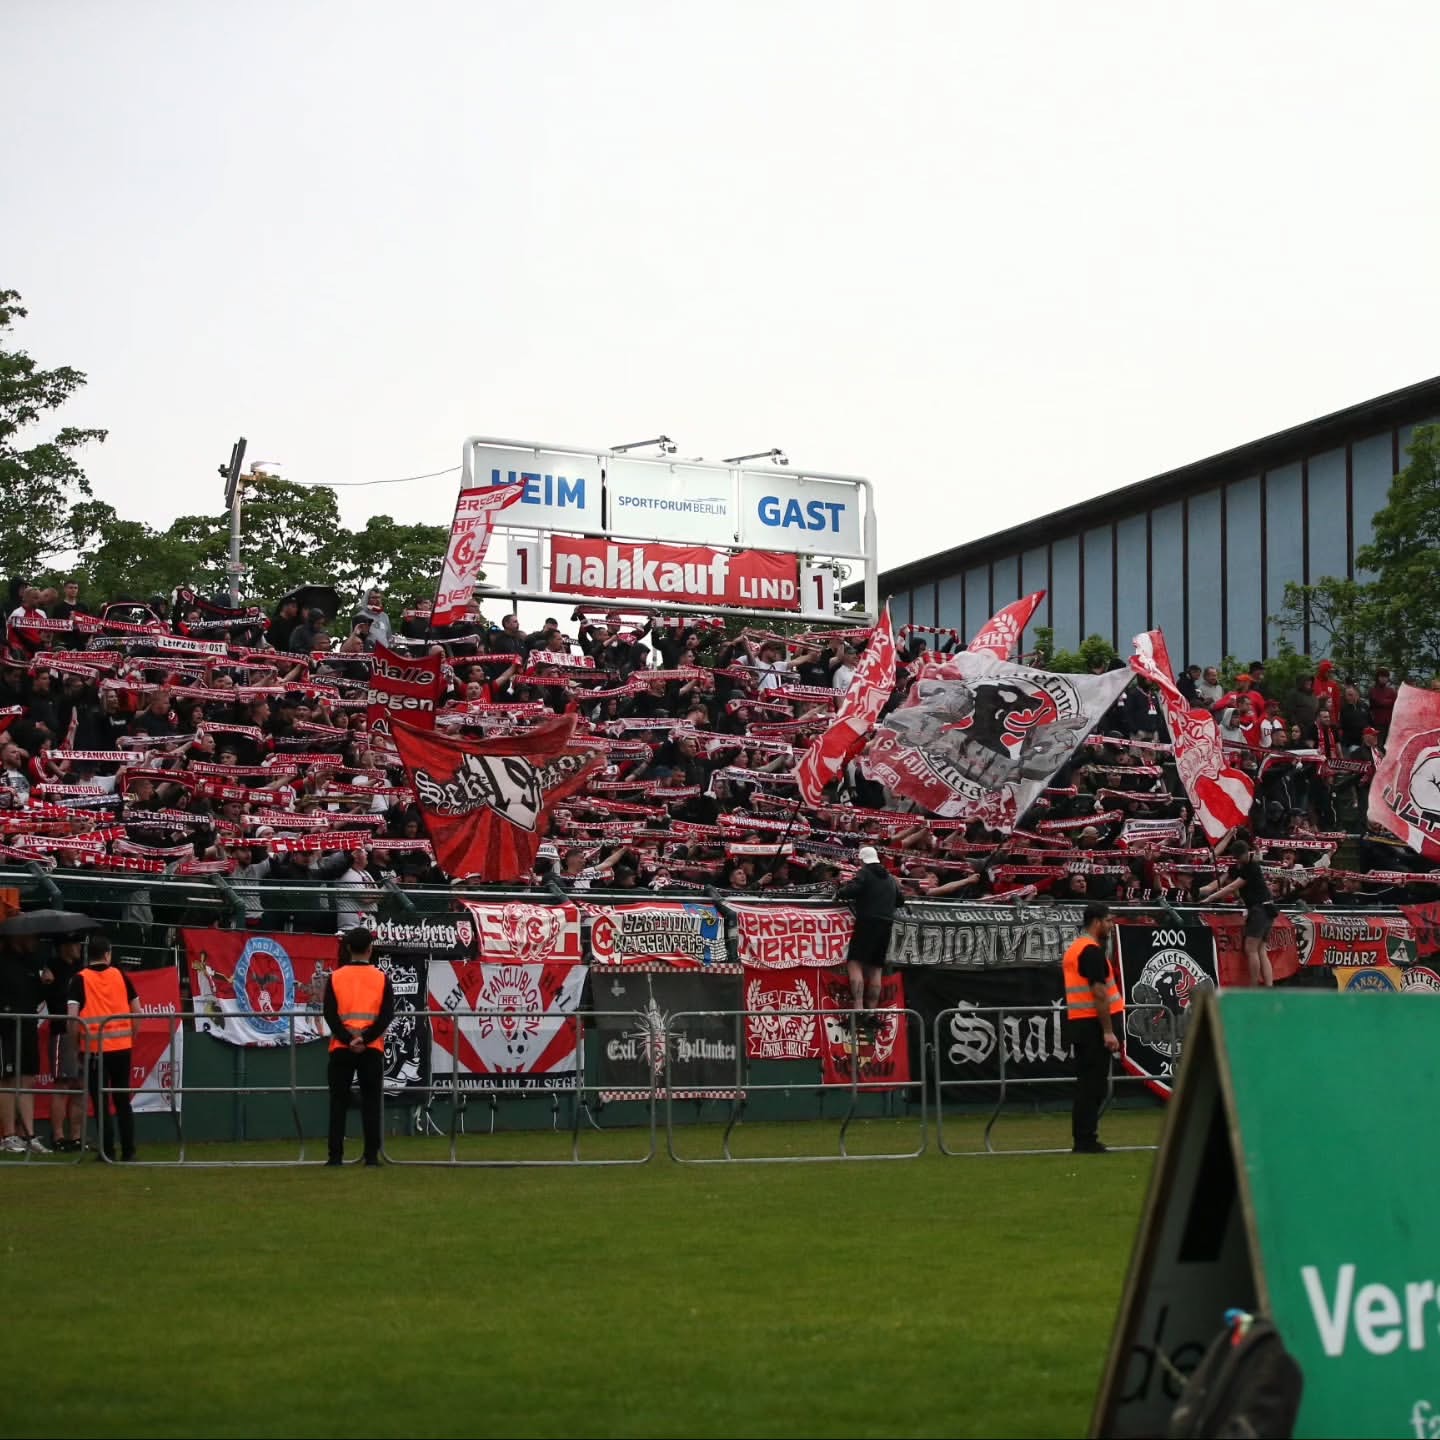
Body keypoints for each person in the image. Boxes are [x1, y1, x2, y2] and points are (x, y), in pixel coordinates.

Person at [323, 927, 394, 1167]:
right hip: (371, 1048)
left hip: (341, 1048)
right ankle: (371, 1156)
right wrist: (365, 1038)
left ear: (348, 949)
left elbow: (330, 1014)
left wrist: (347, 1038)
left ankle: (335, 1157)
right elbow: (386, 1015)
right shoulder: (382, 978)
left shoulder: (335, 977)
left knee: (337, 1102)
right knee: (372, 1102)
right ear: (370, 949)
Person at [67, 934, 139, 1162]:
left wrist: (75, 1043)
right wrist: (130, 1036)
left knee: (100, 1102)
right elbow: (138, 1011)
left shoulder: (79, 979)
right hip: (122, 1048)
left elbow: (72, 1019)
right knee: (122, 1100)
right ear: (108, 953)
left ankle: (107, 1151)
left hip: (93, 1050)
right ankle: (129, 1151)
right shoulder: (121, 976)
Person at [1062, 903, 1122, 1155]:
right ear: (1096, 922)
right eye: (1108, 921)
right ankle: (1086, 1140)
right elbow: (1099, 993)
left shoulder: (1076, 948)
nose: (1110, 926)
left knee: (1088, 1085)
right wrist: (1108, 1031)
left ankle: (1084, 1138)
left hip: (1081, 1022)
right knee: (1092, 1087)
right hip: (1092, 1026)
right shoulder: (1091, 951)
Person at [835, 845, 900, 1036]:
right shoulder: (889, 877)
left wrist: (840, 891)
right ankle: (872, 1013)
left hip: (867, 923)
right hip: (886, 926)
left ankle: (858, 1010)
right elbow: (900, 900)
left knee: (855, 963)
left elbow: (852, 890)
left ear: (862, 860)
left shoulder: (864, 873)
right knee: (876, 968)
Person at [1200, 835, 1275, 987]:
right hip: (1267, 910)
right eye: (1239, 856)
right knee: (1261, 949)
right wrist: (1205, 890)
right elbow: (1222, 880)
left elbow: (1232, 887)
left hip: (1260, 910)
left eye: (1243, 855)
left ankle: (1254, 987)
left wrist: (1210, 898)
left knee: (1251, 948)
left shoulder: (1251, 867)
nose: (1242, 858)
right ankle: (1269, 986)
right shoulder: (1238, 867)